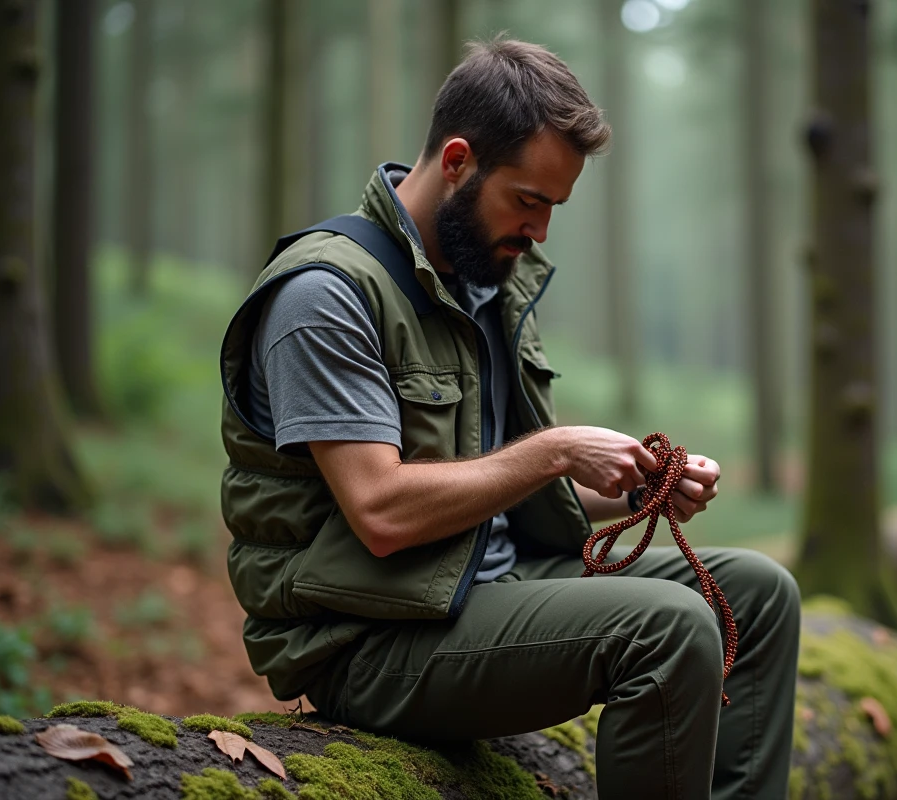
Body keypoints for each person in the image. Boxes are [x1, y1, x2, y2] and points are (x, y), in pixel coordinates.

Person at [218, 36, 801, 800]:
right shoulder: (326, 296)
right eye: (529, 201)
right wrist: (557, 450)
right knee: (668, 628)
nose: (541, 232)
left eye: (554, 208)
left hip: (488, 587)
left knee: (760, 595)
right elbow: (383, 511)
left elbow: (495, 490)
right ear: (457, 161)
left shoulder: (487, 280)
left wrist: (633, 490)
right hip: (365, 639)